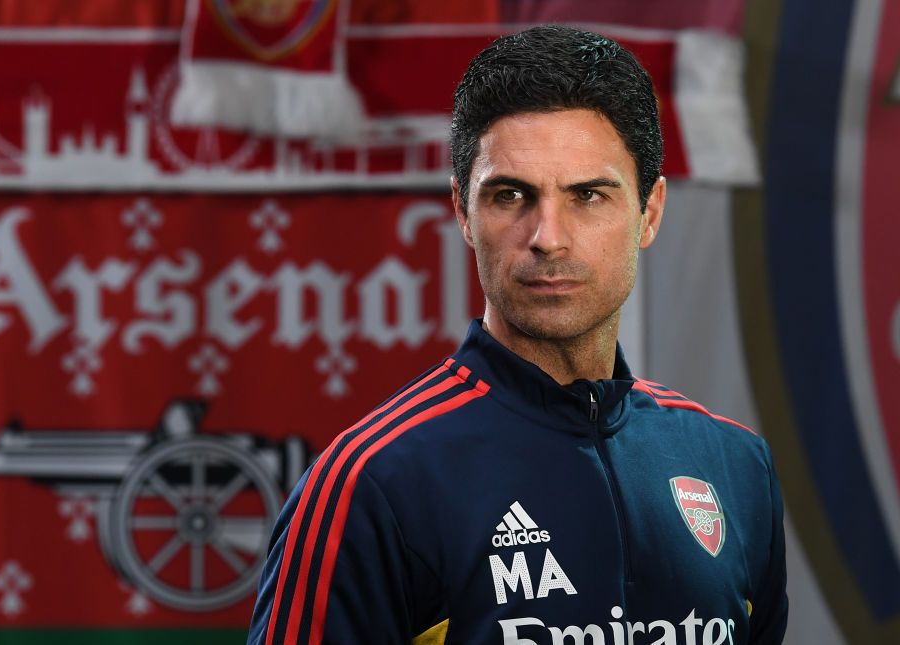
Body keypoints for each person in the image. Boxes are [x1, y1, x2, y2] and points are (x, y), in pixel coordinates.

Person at [247, 24, 788, 645]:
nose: (547, 237)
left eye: (588, 195)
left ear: (650, 212)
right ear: (462, 212)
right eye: (511, 195)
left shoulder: (736, 466)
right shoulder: (370, 484)